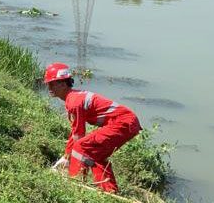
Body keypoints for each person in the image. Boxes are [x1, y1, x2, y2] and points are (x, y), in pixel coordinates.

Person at [44, 62, 142, 193]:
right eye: (48, 84)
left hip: (123, 123)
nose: (49, 87)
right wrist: (66, 155)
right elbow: (75, 132)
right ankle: (109, 192)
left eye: (52, 84)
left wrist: (68, 158)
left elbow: (78, 135)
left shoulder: (74, 102)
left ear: (63, 84)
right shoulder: (73, 98)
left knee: (81, 147)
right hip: (126, 122)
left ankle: (75, 186)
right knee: (95, 154)